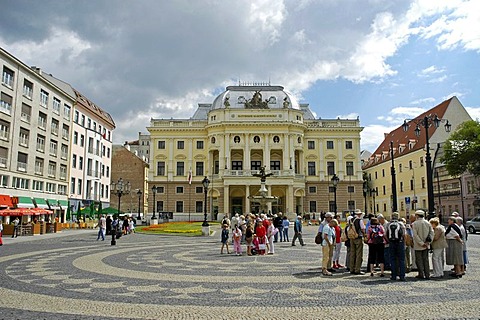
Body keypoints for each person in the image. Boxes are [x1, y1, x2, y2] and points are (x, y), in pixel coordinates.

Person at [412, 210, 434, 279]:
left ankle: (421, 273)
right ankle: (427, 274)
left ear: (417, 216)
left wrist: (421, 243)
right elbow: (432, 233)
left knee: (419, 260)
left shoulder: (415, 224)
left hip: (418, 245)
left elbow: (415, 235)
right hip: (426, 244)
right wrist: (428, 242)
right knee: (426, 259)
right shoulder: (428, 223)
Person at [387, 212, 406, 281]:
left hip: (392, 243)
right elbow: (404, 235)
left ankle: (393, 275)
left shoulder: (389, 224)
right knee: (401, 260)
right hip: (400, 242)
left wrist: (389, 241)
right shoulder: (401, 224)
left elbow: (386, 234)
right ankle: (402, 275)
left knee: (392, 259)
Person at [349, 209, 366, 275]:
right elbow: (362, 229)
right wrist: (364, 235)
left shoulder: (351, 220)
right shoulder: (359, 220)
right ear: (359, 214)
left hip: (351, 237)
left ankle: (351, 268)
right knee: (359, 254)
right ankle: (357, 269)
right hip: (358, 237)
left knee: (352, 253)